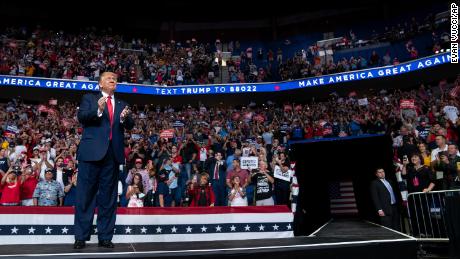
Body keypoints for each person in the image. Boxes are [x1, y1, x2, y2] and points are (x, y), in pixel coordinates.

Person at [74, 72, 134, 249]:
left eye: (115, 79)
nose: (113, 80)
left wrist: (124, 118)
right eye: (109, 78)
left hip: (112, 155)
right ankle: (80, 237)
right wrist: (98, 110)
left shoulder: (123, 104)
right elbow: (82, 118)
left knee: (108, 199)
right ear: (100, 84)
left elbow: (130, 125)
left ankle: (105, 237)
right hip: (91, 154)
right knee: (85, 196)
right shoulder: (89, 98)